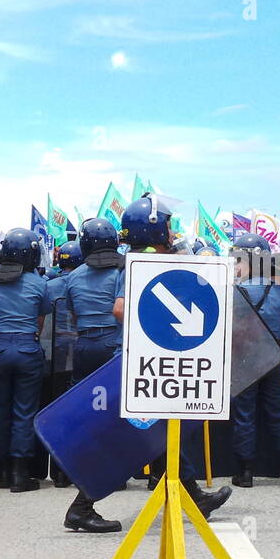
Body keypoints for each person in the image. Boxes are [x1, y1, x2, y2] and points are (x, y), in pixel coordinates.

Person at [112, 197, 233, 515]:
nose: (170, 229)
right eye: (165, 224)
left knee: (156, 434)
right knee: (135, 437)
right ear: (150, 228)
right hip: (141, 360)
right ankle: (81, 505)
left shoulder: (154, 259)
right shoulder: (141, 262)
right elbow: (122, 309)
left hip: (151, 358)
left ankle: (193, 496)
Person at [60, 219, 128, 531]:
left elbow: (73, 315)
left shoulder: (72, 277)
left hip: (84, 346)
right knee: (125, 419)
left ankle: (69, 472)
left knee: (90, 417)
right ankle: (83, 501)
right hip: (114, 346)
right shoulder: (123, 272)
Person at [228, 232, 280, 488]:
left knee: (245, 415)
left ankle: (246, 472)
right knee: (278, 414)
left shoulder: (234, 291)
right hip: (274, 360)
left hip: (245, 363)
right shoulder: (279, 291)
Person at [0, 228, 50, 493]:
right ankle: (20, 474)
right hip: (26, 348)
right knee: (24, 412)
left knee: (0, 411)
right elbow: (41, 319)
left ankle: (1, 473)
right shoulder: (39, 283)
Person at [44, 239, 82, 488]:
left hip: (54, 355)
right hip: (80, 350)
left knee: (57, 411)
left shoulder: (48, 286)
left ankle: (58, 473)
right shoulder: (85, 281)